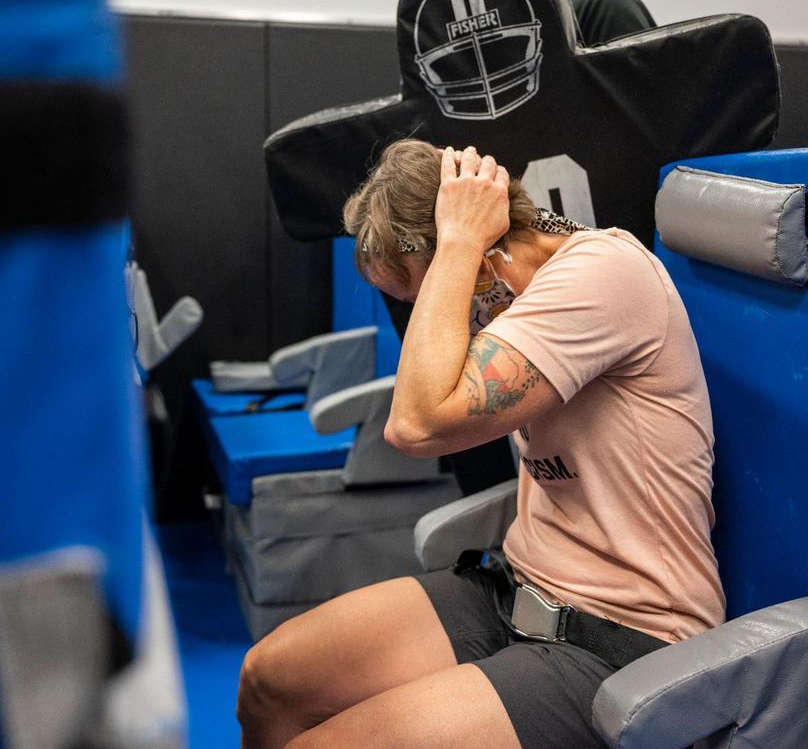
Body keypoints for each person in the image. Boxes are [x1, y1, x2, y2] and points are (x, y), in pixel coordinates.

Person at [236, 139, 724, 749]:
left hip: (626, 635)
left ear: (485, 258)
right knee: (268, 679)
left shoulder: (603, 274)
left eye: (433, 292)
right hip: (514, 590)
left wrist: (456, 246)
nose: (431, 315)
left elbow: (414, 425)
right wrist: (454, 260)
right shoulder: (518, 292)